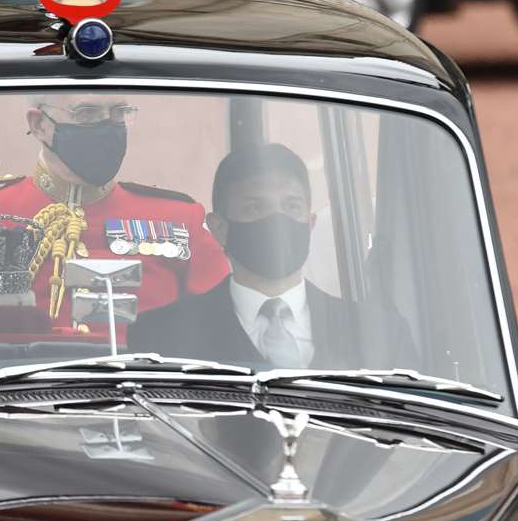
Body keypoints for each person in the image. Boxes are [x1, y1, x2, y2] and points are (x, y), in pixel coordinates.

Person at [0, 96, 230, 330]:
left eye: (118, 114)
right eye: (87, 114)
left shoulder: (175, 216)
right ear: (39, 124)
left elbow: (224, 328)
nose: (107, 126)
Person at [131, 143, 418, 369]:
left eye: (291, 206)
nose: (276, 221)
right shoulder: (160, 336)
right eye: (255, 208)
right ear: (219, 228)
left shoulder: (384, 336)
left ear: (310, 222)